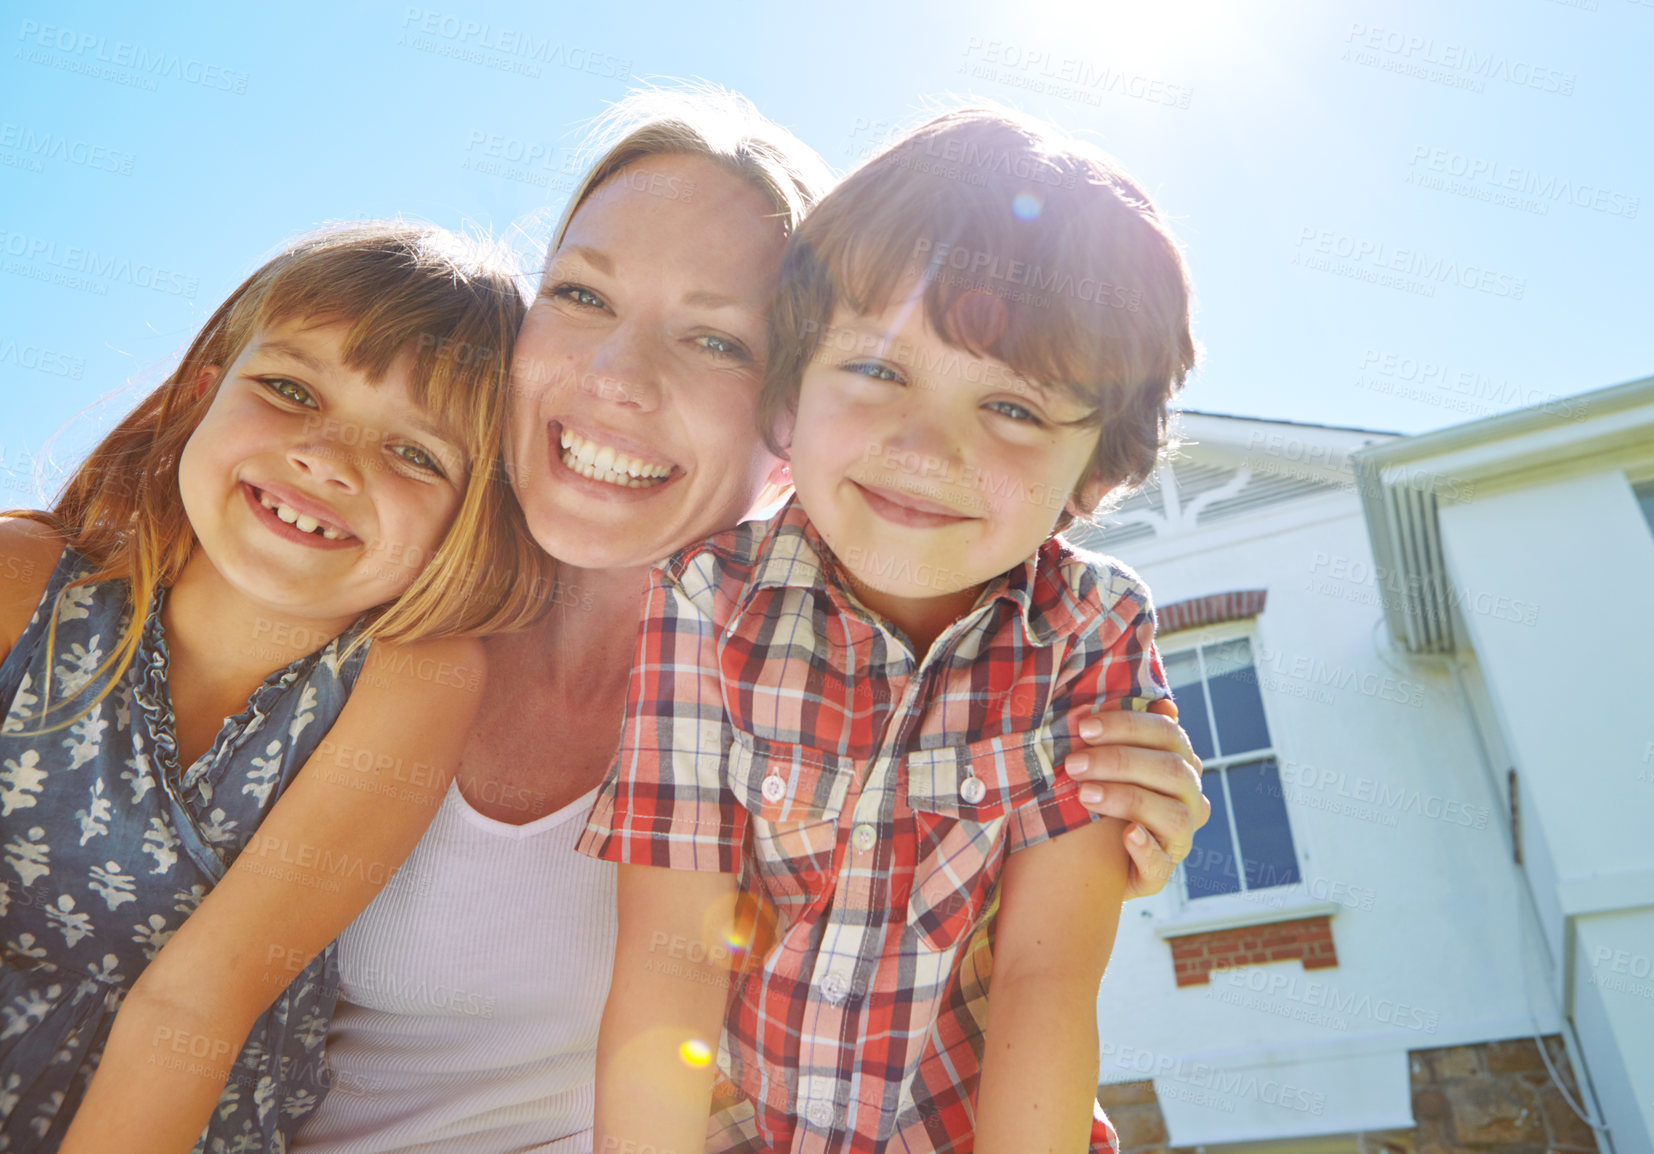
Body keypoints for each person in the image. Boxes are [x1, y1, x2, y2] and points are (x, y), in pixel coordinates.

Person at [291, 88, 1208, 1154]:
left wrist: (1115, 832)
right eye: (582, 294)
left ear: (776, 401)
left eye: (715, 339)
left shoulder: (1070, 627)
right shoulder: (359, 592)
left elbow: (1040, 981)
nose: (617, 380)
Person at [579, 107, 1193, 1154]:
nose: (925, 445)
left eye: (1014, 407)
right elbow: (673, 957)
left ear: (1092, 469)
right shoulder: (707, 598)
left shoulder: (1092, 629)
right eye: (877, 370)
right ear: (792, 395)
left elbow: (1048, 982)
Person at [0, 222, 545, 1153]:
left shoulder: (410, 679)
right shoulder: (22, 581)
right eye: (291, 391)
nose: (328, 460)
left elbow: (197, 1000)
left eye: (416, 453)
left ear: (470, 517)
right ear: (204, 396)